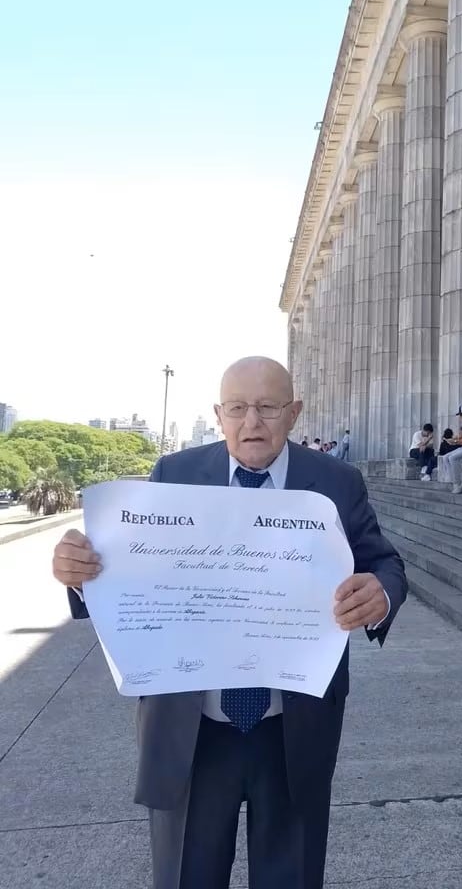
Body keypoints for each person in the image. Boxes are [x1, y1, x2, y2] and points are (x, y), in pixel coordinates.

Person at [52, 357, 407, 889]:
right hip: (193, 729)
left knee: (292, 876)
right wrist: (79, 575)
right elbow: (128, 571)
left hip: (293, 724)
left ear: (294, 412)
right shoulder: (173, 475)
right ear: (218, 414)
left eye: (267, 408)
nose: (252, 424)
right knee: (187, 876)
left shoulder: (336, 482)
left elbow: (386, 564)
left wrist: (379, 592)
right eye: (237, 409)